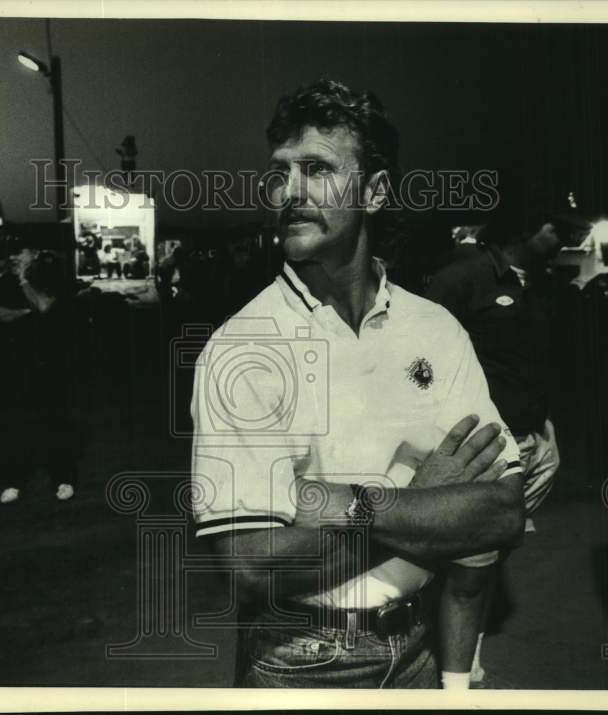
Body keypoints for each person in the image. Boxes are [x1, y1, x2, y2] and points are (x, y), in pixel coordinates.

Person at [189, 79, 525, 689]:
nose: (289, 192)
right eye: (279, 173)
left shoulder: (436, 329)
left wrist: (348, 504)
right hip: (299, 662)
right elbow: (251, 567)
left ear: (374, 191)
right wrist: (423, 498)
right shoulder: (242, 349)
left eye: (316, 169)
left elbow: (502, 512)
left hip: (422, 647)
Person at [423, 197, 564, 683]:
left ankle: (461, 651)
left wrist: (543, 423)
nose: (565, 238)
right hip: (479, 446)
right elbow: (418, 352)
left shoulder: (539, 282)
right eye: (555, 228)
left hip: (529, 440)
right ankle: (451, 667)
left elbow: (533, 361)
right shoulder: (464, 276)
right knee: (467, 561)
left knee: (493, 551)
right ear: (523, 230)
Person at [0, 242, 78, 503]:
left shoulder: (51, 275)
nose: (15, 257)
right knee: (12, 424)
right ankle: (12, 482)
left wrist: (25, 282)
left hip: (48, 364)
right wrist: (18, 313)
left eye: (21, 253)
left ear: (34, 254)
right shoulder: (3, 280)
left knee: (54, 421)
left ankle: (63, 478)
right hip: (14, 364)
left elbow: (44, 306)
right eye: (12, 254)